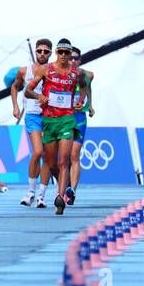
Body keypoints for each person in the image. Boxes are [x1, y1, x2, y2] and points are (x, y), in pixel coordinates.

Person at [26, 38, 83, 215]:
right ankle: (61, 186)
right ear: (56, 53)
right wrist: (39, 97)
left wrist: (82, 101)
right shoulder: (45, 69)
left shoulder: (76, 73)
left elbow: (87, 82)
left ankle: (60, 197)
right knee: (51, 163)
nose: (64, 56)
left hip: (67, 119)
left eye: (67, 53)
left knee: (63, 160)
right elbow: (27, 90)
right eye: (61, 52)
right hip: (49, 121)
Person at [13, 38, 52, 206]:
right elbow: (15, 87)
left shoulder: (54, 70)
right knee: (37, 152)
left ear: (51, 53)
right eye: (39, 51)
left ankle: (41, 195)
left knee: (48, 157)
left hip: (51, 116)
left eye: (46, 51)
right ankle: (30, 192)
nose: (42, 54)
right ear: (35, 52)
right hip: (33, 115)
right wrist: (15, 106)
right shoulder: (24, 71)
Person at [66, 46, 93, 202]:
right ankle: (65, 185)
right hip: (63, 118)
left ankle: (72, 191)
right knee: (63, 158)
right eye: (71, 58)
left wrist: (90, 105)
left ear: (80, 59)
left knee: (75, 154)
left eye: (76, 58)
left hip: (79, 118)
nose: (73, 60)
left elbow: (88, 87)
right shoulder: (62, 74)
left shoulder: (88, 75)